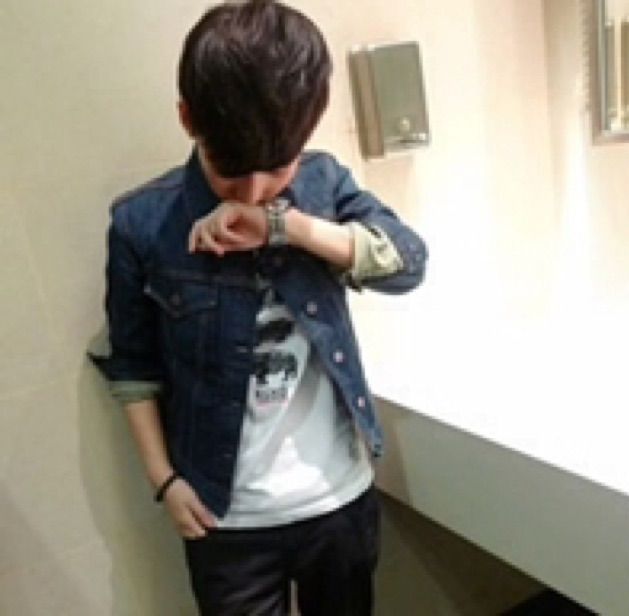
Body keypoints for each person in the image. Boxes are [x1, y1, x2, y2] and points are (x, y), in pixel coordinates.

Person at [90, 1, 427, 614]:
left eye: (276, 170)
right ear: (188, 119)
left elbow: (407, 264)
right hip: (225, 518)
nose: (252, 191)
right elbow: (133, 367)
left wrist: (285, 225)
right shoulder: (142, 223)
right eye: (231, 173)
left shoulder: (323, 185)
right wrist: (164, 481)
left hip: (338, 502)